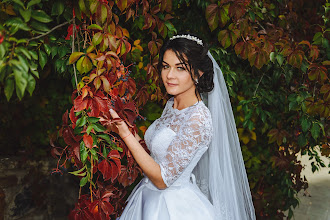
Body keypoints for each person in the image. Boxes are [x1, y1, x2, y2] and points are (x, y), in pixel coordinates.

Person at [109, 34, 256, 220]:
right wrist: (125, 127)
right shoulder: (172, 105)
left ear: (198, 73)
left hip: (173, 208)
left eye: (180, 68)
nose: (169, 75)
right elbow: (156, 154)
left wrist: (125, 135)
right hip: (148, 199)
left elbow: (162, 179)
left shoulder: (198, 119)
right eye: (165, 66)